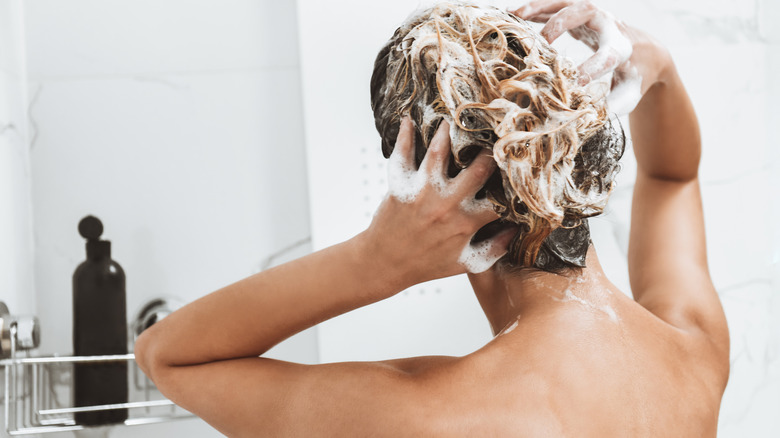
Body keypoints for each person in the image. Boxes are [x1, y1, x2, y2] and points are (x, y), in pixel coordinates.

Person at [134, 1, 729, 436]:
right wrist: (662, 69)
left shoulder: (422, 417)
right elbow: (673, 177)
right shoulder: (691, 353)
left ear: (422, 191)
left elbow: (169, 357)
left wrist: (373, 262)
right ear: (573, 149)